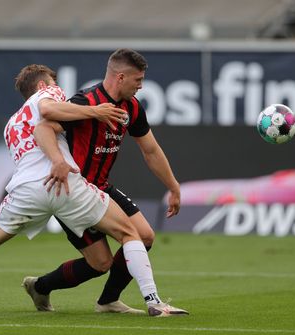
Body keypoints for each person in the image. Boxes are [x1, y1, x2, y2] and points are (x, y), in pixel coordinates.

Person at [0, 64, 183, 317]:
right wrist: (92, 115)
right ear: (43, 84)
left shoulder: (11, 124)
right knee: (131, 234)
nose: (59, 89)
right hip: (65, 185)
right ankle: (153, 302)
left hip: (25, 191)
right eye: (55, 84)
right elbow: (48, 110)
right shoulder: (48, 94)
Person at [22, 48, 184, 315]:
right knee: (100, 264)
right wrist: (56, 162)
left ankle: (108, 301)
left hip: (102, 187)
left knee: (144, 236)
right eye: (138, 80)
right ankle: (40, 286)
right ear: (120, 77)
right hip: (74, 194)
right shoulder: (85, 102)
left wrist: (173, 185)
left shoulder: (132, 107)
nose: (141, 86)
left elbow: (151, 150)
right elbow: (45, 126)